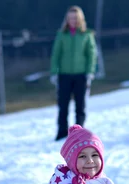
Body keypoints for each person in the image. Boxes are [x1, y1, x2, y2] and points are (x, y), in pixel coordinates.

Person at [50, 5, 97, 141]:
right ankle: (62, 131)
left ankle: (78, 132)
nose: (73, 20)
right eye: (70, 18)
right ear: (67, 19)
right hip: (64, 75)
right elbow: (56, 54)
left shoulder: (87, 34)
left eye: (75, 18)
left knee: (80, 106)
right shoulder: (61, 35)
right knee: (63, 105)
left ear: (80, 19)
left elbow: (91, 55)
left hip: (81, 75)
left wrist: (90, 72)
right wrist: (54, 72)